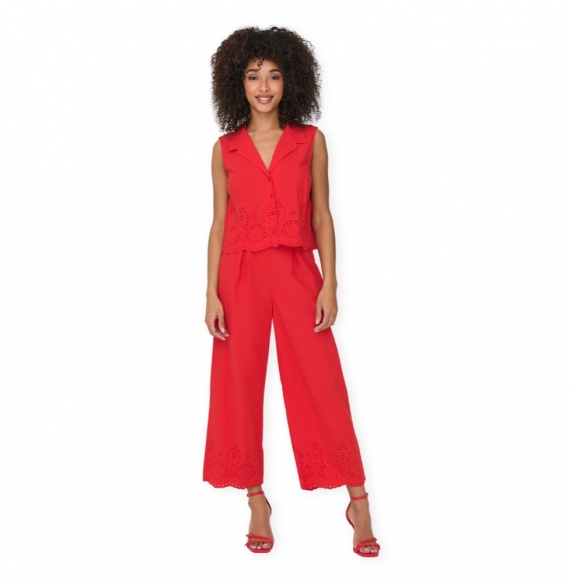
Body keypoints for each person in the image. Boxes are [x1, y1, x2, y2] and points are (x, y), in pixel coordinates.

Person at [202, 26, 381, 557]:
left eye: (274, 76)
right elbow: (218, 224)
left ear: (290, 81)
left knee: (321, 382)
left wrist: (331, 281)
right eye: (253, 76)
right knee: (238, 384)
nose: (264, 86)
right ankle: (256, 499)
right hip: (238, 276)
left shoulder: (310, 140)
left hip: (298, 272)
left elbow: (322, 215)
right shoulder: (225, 149)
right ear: (237, 83)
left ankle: (358, 500)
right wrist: (210, 293)